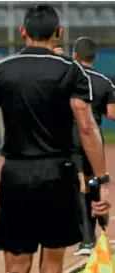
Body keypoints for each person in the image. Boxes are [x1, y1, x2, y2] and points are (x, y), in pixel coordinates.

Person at [0, 4, 111, 273]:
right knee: (53, 266)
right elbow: (88, 127)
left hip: (17, 174)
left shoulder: (2, 69)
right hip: (59, 173)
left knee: (17, 266)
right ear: (59, 32)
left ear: (22, 32)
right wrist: (102, 180)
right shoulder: (72, 70)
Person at [70, 37, 115, 256]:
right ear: (94, 57)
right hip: (93, 139)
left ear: (75, 55)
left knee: (79, 185)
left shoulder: (67, 78)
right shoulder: (105, 81)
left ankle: (86, 241)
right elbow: (112, 114)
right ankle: (101, 228)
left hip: (71, 138)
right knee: (93, 182)